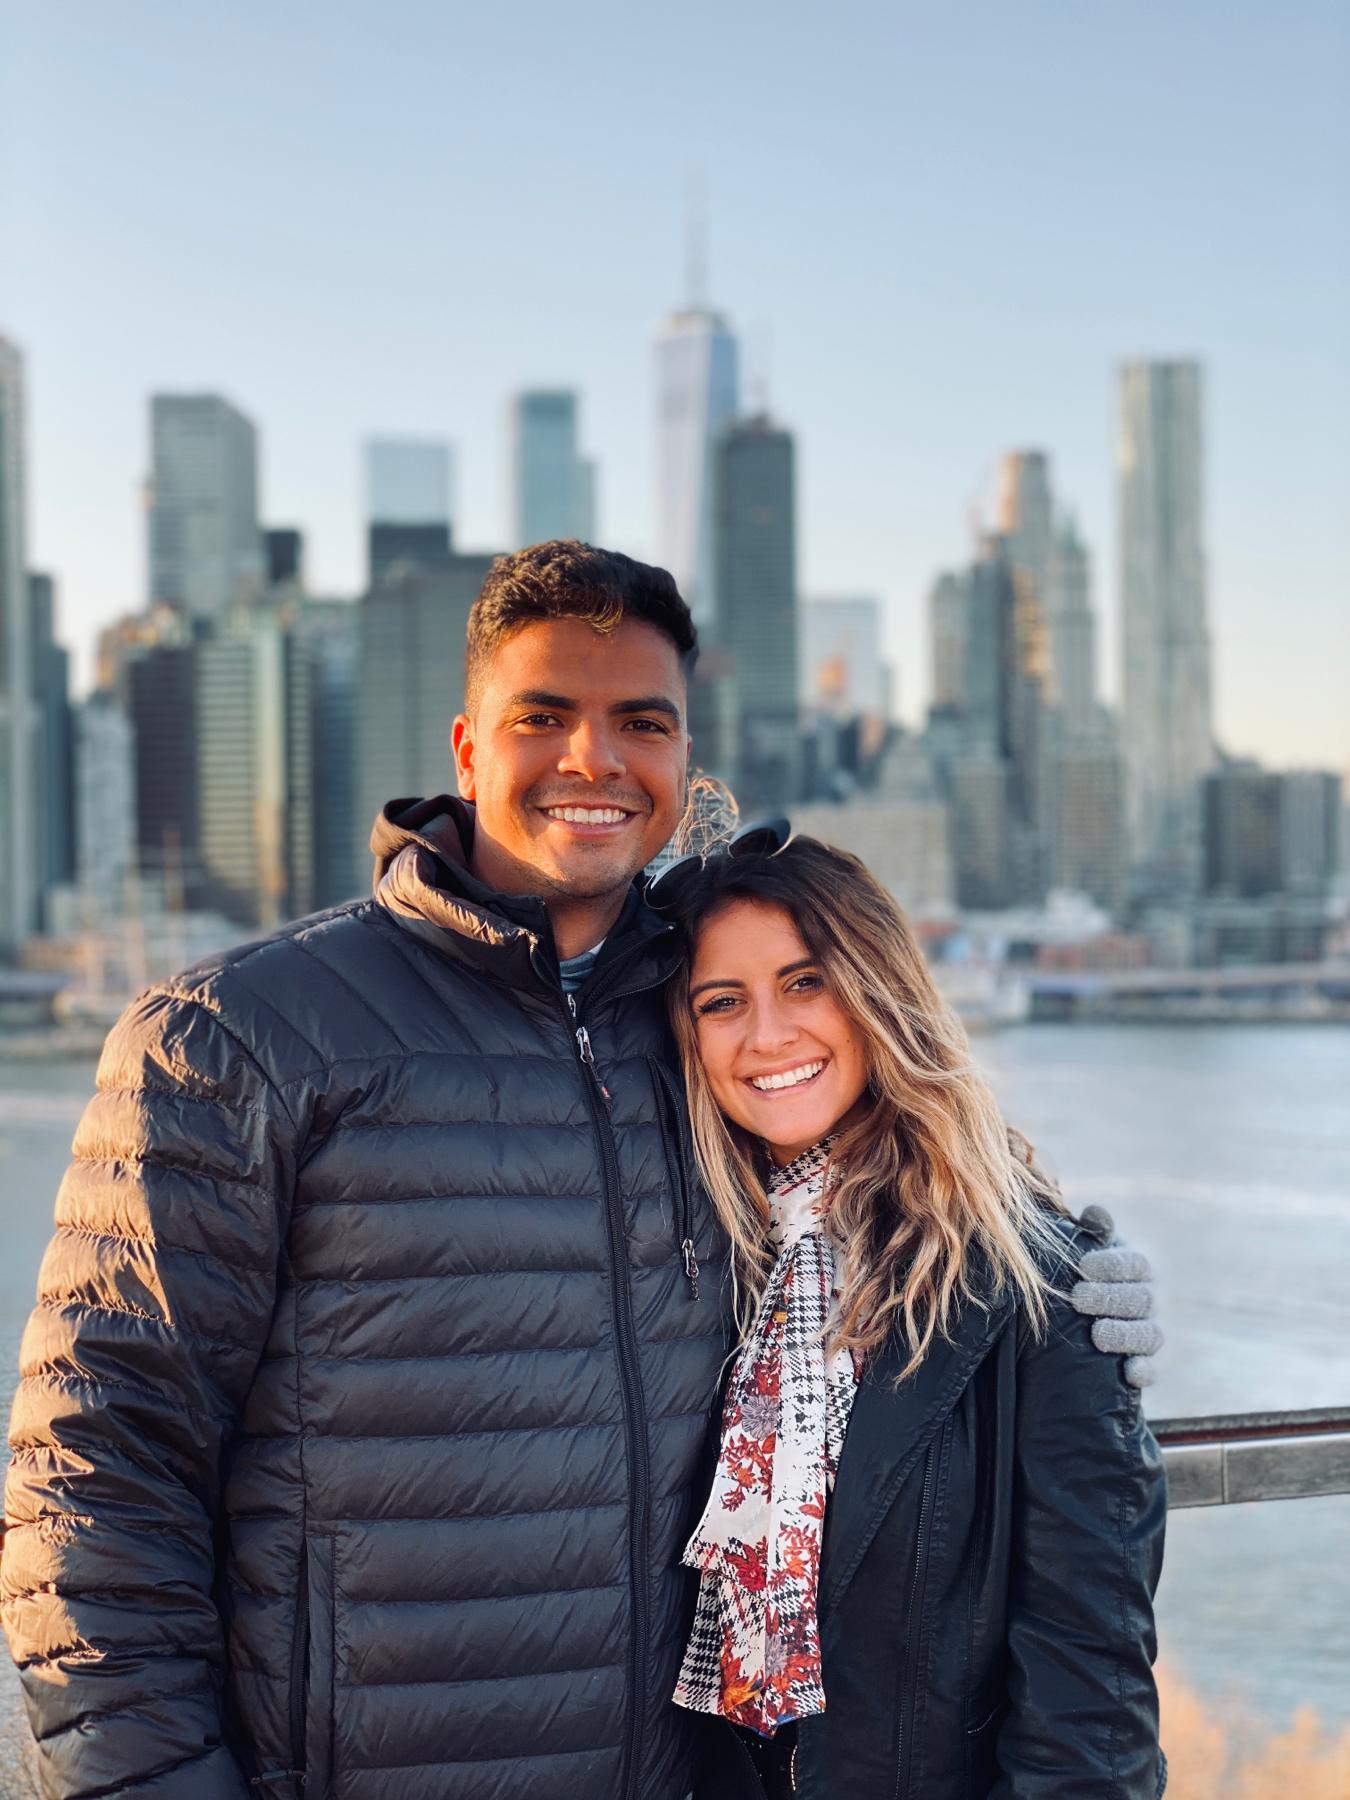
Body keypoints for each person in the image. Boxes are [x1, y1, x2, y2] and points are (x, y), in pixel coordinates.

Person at [2, 541, 1157, 1800]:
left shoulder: (698, 1033)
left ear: (683, 762)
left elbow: (902, 1186)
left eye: (640, 723)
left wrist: (1073, 1288)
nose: (593, 759)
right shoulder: (241, 1037)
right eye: (542, 716)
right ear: (466, 749)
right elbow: (93, 1485)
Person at [654, 828, 1167, 1800]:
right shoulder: (696, 1264)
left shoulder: (1037, 1287)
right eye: (722, 1002)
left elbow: (1090, 1706)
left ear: (877, 993)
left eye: (806, 983)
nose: (767, 1034)